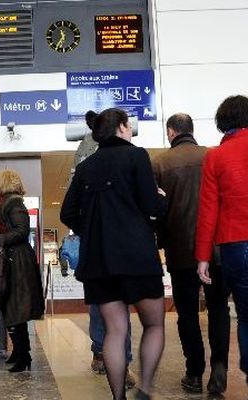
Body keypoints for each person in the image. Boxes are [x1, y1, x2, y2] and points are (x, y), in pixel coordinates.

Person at [61, 108, 167, 400]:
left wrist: (93, 228)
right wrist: (161, 201)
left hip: (100, 262)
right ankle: (144, 388)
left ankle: (118, 397)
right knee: (154, 324)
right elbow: (150, 205)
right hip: (137, 257)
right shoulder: (136, 155)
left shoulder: (86, 167)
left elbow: (67, 212)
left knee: (114, 331)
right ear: (122, 127)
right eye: (129, 125)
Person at [152, 113, 230, 395]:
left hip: (180, 251)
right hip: (217, 250)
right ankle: (219, 369)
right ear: (191, 130)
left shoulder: (159, 162)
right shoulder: (213, 156)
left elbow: (156, 209)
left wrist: (160, 239)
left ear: (171, 132)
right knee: (218, 309)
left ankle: (195, 373)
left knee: (187, 315)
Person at [72, 111, 135, 386]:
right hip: (119, 239)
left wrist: (86, 227)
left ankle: (100, 352)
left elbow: (71, 205)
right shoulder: (124, 153)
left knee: (100, 301)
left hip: (95, 241)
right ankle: (120, 361)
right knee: (118, 305)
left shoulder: (84, 153)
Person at [196, 95, 248, 389]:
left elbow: (208, 212)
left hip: (235, 246)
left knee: (245, 314)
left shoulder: (215, 157)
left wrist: (203, 257)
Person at [0, 169, 44, 373]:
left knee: (15, 308)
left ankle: (23, 355)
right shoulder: (8, 203)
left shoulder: (13, 204)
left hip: (16, 261)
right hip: (12, 259)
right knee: (11, 308)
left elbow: (21, 231)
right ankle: (20, 352)